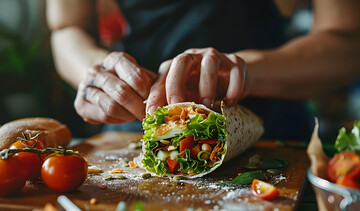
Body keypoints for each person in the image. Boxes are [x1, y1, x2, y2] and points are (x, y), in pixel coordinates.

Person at [46, 0, 360, 140]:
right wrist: (98, 73)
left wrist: (246, 71)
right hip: (138, 126)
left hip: (269, 131)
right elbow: (66, 28)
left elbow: (347, 41)